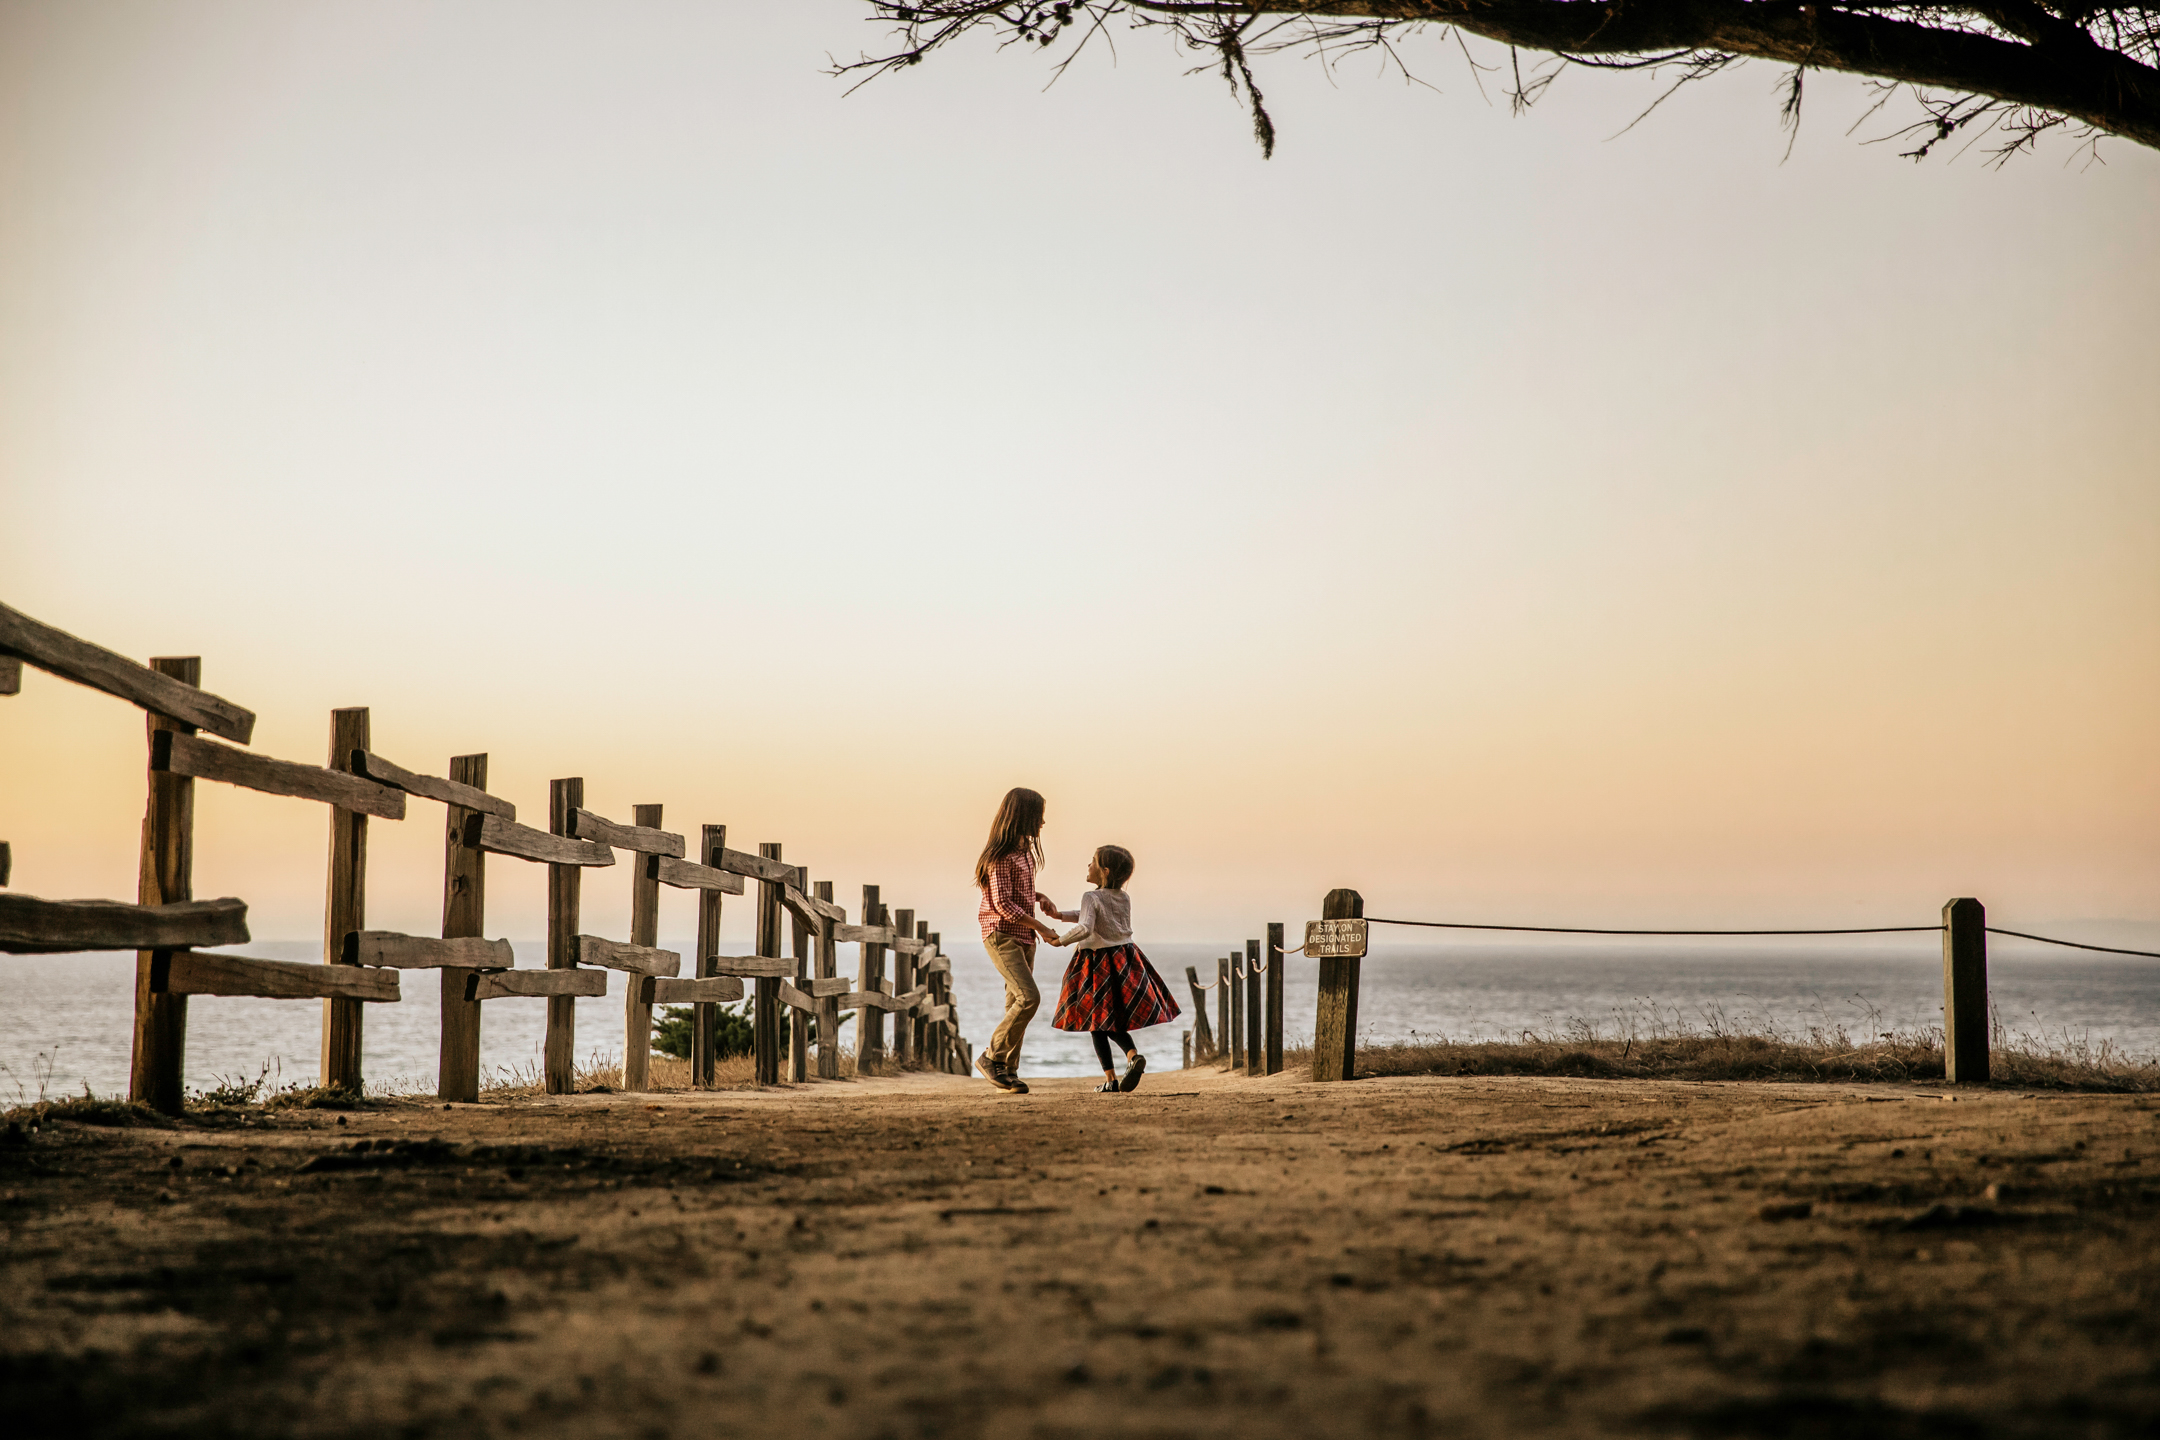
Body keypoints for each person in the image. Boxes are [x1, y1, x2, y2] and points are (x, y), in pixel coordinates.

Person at [1045, 844, 1179, 1093]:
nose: (1088, 865)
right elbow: (1095, 915)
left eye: (1092, 862)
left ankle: (1111, 1079)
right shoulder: (1122, 896)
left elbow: (1086, 926)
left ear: (1104, 871)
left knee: (1096, 1022)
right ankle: (1131, 1056)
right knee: (1111, 1019)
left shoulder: (1090, 896)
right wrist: (1059, 915)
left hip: (1096, 963)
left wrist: (1059, 940)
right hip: (1124, 960)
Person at [973, 786, 1062, 1094]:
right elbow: (1003, 905)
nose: (1042, 823)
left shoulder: (1024, 852)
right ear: (1023, 816)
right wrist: (1041, 926)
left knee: (1015, 1001)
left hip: (1023, 936)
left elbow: (1018, 894)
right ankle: (991, 1057)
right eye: (1039, 816)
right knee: (1029, 998)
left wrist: (1039, 897)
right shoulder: (999, 856)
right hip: (1001, 935)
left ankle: (1008, 1070)